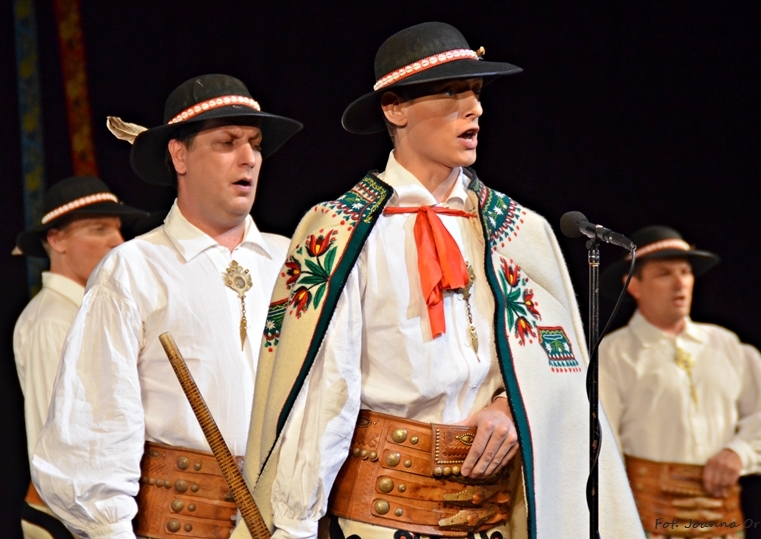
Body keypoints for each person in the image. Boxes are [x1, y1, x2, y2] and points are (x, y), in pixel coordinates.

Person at [234, 22, 643, 539]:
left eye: (475, 93)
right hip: (383, 516)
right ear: (394, 109)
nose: (474, 109)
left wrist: (511, 407)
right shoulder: (342, 230)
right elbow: (322, 390)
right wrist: (295, 524)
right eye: (451, 93)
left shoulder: (517, 230)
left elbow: (557, 370)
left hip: (492, 519)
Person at [31, 74, 302, 539]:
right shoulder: (135, 269)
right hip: (180, 522)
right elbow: (97, 419)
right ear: (179, 155)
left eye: (255, 144)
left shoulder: (291, 258)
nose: (249, 158)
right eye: (227, 142)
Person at [598, 225, 761, 539]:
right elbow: (602, 445)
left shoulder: (726, 345)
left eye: (686, 272)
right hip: (649, 524)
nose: (680, 283)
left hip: (721, 523)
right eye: (664, 274)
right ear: (633, 284)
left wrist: (739, 453)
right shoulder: (614, 354)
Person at [13, 175, 146, 539]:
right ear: (57, 240)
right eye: (99, 229)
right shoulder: (53, 320)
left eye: (117, 229)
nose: (117, 241)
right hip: (69, 519)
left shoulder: (87, 313)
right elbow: (55, 435)